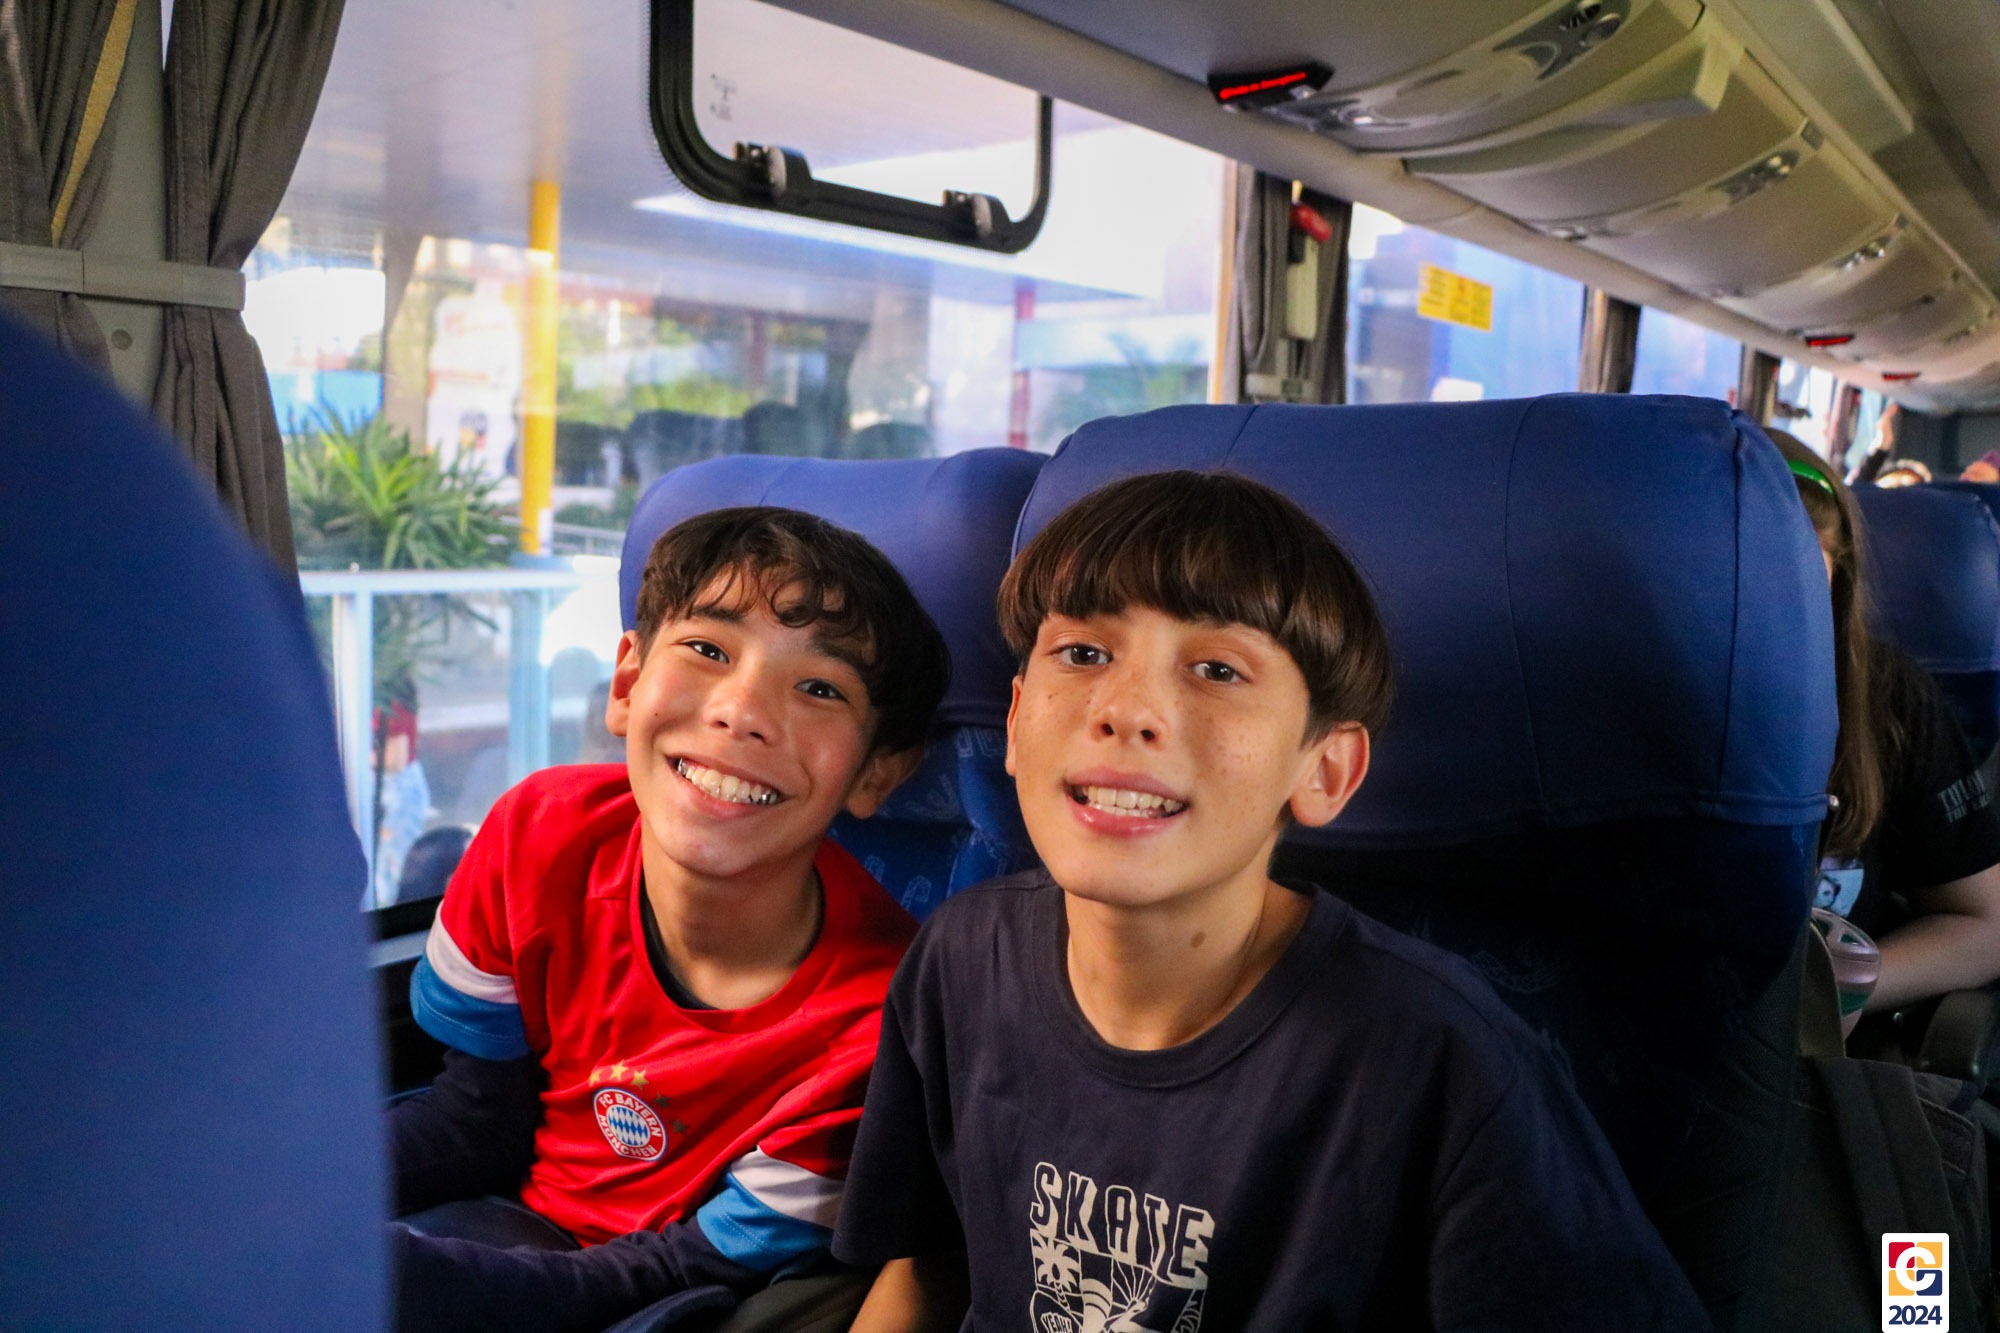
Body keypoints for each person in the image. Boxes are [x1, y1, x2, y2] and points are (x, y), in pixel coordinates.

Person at [832, 471, 1709, 1329]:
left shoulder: (1439, 1063)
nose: (1127, 709)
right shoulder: (960, 958)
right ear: (1017, 719)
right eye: (1085, 653)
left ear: (1324, 769)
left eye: (1217, 668)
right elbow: (928, 1270)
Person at [388, 507, 950, 1331]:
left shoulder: (882, 1027)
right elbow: (479, 1117)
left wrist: (435, 1283)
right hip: (520, 1223)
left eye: (820, 688)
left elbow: (690, 1263)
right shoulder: (535, 838)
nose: (740, 710)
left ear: (876, 773)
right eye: (708, 649)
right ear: (626, 684)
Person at [1770, 431, 2000, 1015]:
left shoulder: (1887, 701)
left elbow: (1985, 922)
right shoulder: (1595, 695)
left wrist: (1830, 1001)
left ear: (1837, 584)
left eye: (1795, 584)